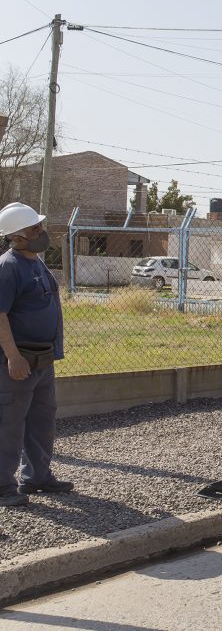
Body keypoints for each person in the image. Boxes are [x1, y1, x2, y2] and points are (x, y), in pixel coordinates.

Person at [0, 203, 71, 508]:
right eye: (34, 229)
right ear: (17, 238)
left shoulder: (36, 262)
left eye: (39, 226)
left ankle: (38, 476)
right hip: (19, 361)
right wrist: (13, 357)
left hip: (42, 360)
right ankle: (3, 486)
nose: (41, 231)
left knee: (42, 419)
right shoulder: (9, 267)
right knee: (9, 424)